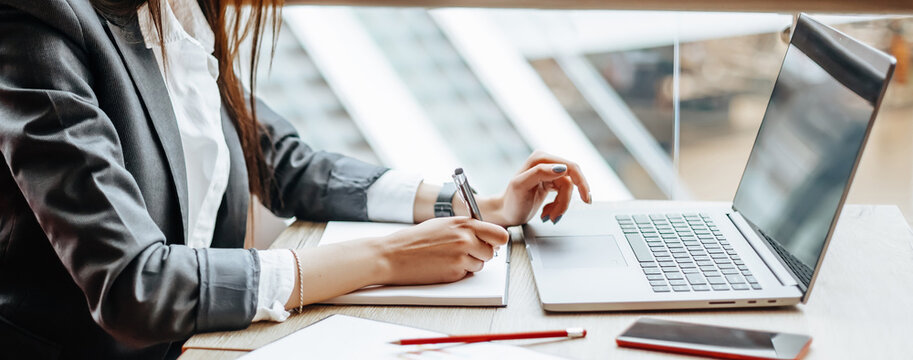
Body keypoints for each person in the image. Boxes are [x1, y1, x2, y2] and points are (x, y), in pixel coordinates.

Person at [0, 0, 592, 358]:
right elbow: (136, 285)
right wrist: (384, 260)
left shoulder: (180, 16)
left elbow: (284, 162)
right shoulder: (40, 25)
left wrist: (472, 205)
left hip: (205, 345)